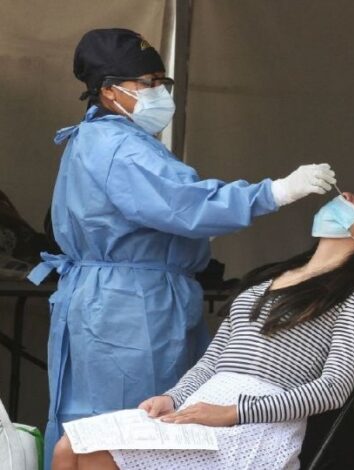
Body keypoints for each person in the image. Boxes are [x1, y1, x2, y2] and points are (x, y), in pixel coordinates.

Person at [27, 28, 337, 468]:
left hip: (117, 298)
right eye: (147, 83)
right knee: (133, 431)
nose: (159, 92)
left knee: (118, 425)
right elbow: (185, 203)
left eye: (162, 81)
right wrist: (275, 192)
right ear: (109, 90)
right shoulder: (118, 146)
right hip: (130, 306)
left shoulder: (103, 139)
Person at [51, 191, 354, 470]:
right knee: (69, 446)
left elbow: (333, 389)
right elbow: (213, 361)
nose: (347, 196)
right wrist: (173, 397)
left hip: (257, 426)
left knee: (97, 455)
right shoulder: (269, 278)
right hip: (202, 406)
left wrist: (233, 413)